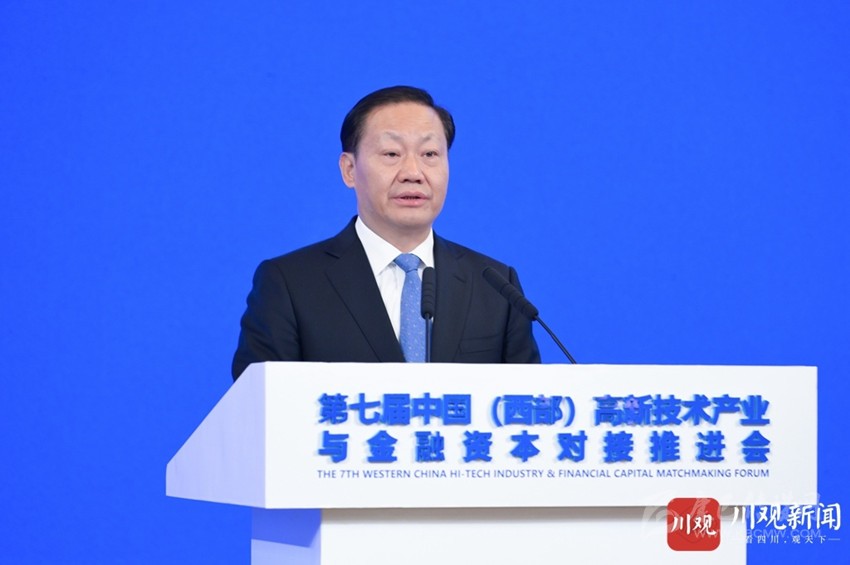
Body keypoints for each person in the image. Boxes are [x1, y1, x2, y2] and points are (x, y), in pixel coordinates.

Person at [232, 86, 539, 380]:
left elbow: (528, 405)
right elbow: (260, 405)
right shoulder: (290, 284)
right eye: (392, 154)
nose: (413, 173)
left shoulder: (496, 287)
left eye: (430, 154)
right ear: (349, 170)